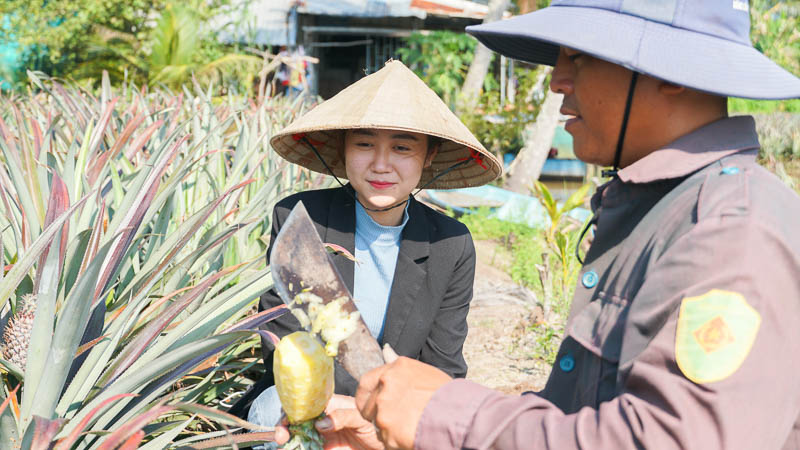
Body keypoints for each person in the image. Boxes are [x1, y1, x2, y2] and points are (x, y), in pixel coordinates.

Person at [281, 1, 800, 449]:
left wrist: (443, 416)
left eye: (579, 56)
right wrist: (408, 429)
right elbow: (584, 420)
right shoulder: (662, 212)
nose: (557, 81)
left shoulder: (732, 230)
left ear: (671, 69)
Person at [238, 60, 502, 432]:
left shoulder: (450, 244)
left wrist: (380, 415)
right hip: (306, 399)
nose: (381, 165)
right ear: (344, 149)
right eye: (364, 144)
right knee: (270, 413)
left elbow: (444, 367)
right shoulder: (302, 220)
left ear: (428, 157)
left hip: (396, 410)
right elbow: (284, 341)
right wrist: (346, 407)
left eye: (401, 148)